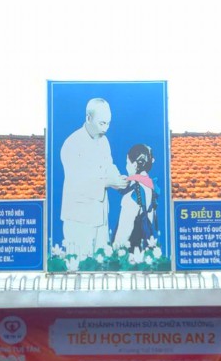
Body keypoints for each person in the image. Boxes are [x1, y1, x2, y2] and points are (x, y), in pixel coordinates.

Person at [59, 97, 127, 258]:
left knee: (101, 263)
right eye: (102, 123)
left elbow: (108, 166)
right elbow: (76, 182)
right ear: (88, 118)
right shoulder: (72, 144)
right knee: (80, 264)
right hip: (79, 219)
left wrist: (118, 180)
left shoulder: (104, 141)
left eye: (108, 123)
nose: (106, 128)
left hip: (100, 217)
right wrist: (108, 182)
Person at [112, 143, 159, 251]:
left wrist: (115, 251)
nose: (126, 166)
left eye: (127, 163)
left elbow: (124, 231)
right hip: (146, 250)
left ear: (134, 165)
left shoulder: (133, 193)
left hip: (131, 254)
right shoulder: (151, 187)